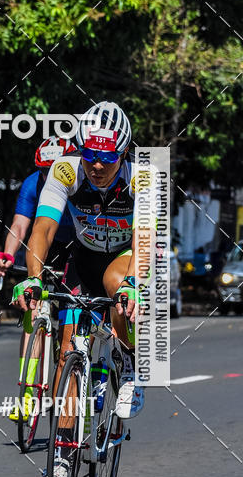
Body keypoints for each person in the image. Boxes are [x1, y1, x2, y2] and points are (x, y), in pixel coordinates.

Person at [13, 101, 148, 425]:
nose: (97, 166)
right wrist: (33, 277)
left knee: (118, 287)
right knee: (68, 350)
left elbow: (144, 237)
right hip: (84, 257)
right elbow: (43, 228)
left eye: (108, 157)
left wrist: (132, 284)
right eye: (90, 155)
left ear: (124, 152)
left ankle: (129, 362)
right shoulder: (66, 169)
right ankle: (62, 452)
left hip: (125, 256)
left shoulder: (142, 176)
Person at [0, 138, 77, 423]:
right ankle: (27, 395)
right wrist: (7, 253)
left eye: (54, 168)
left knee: (72, 319)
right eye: (43, 170)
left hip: (76, 247)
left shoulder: (78, 179)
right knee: (32, 313)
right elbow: (20, 225)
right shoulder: (33, 184)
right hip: (45, 246)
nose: (48, 175)